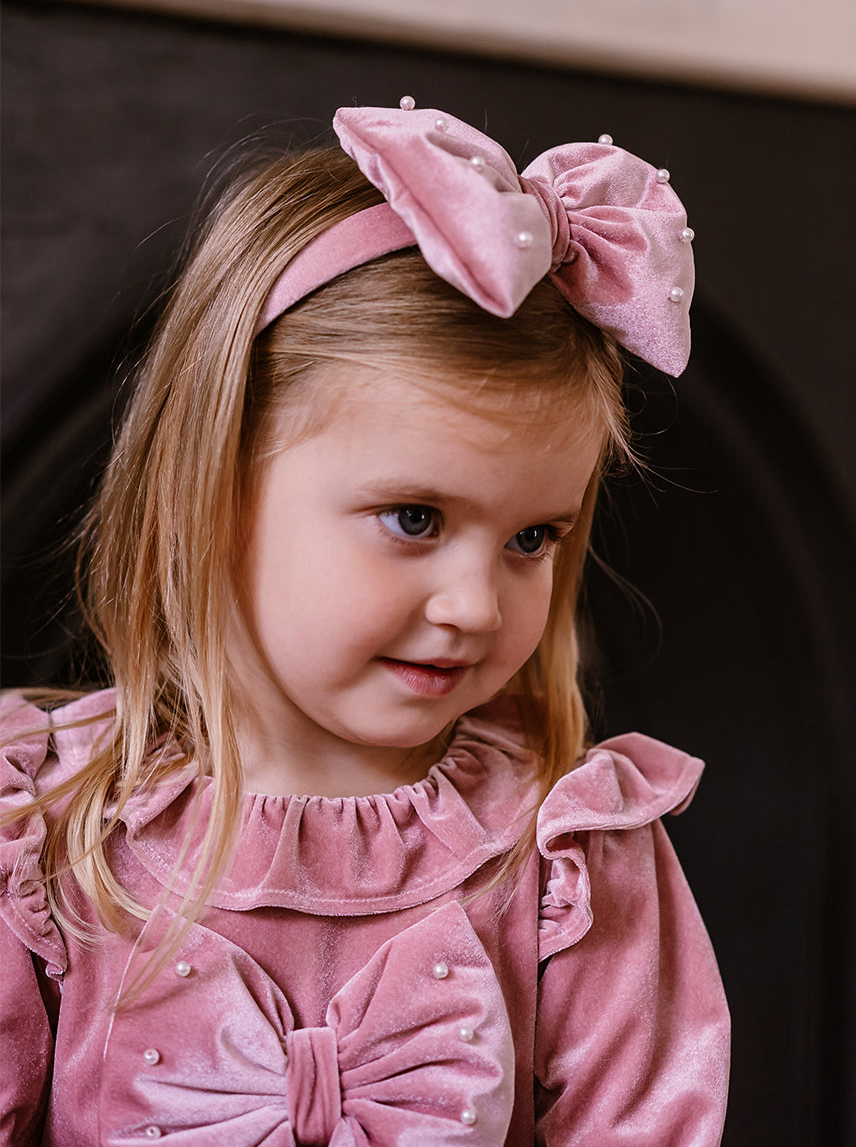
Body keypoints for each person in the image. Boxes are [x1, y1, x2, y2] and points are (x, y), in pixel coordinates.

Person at [0, 99, 729, 1145]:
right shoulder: (45, 830)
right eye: (414, 518)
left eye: (532, 538)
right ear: (212, 489)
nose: (475, 606)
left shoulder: (569, 857)